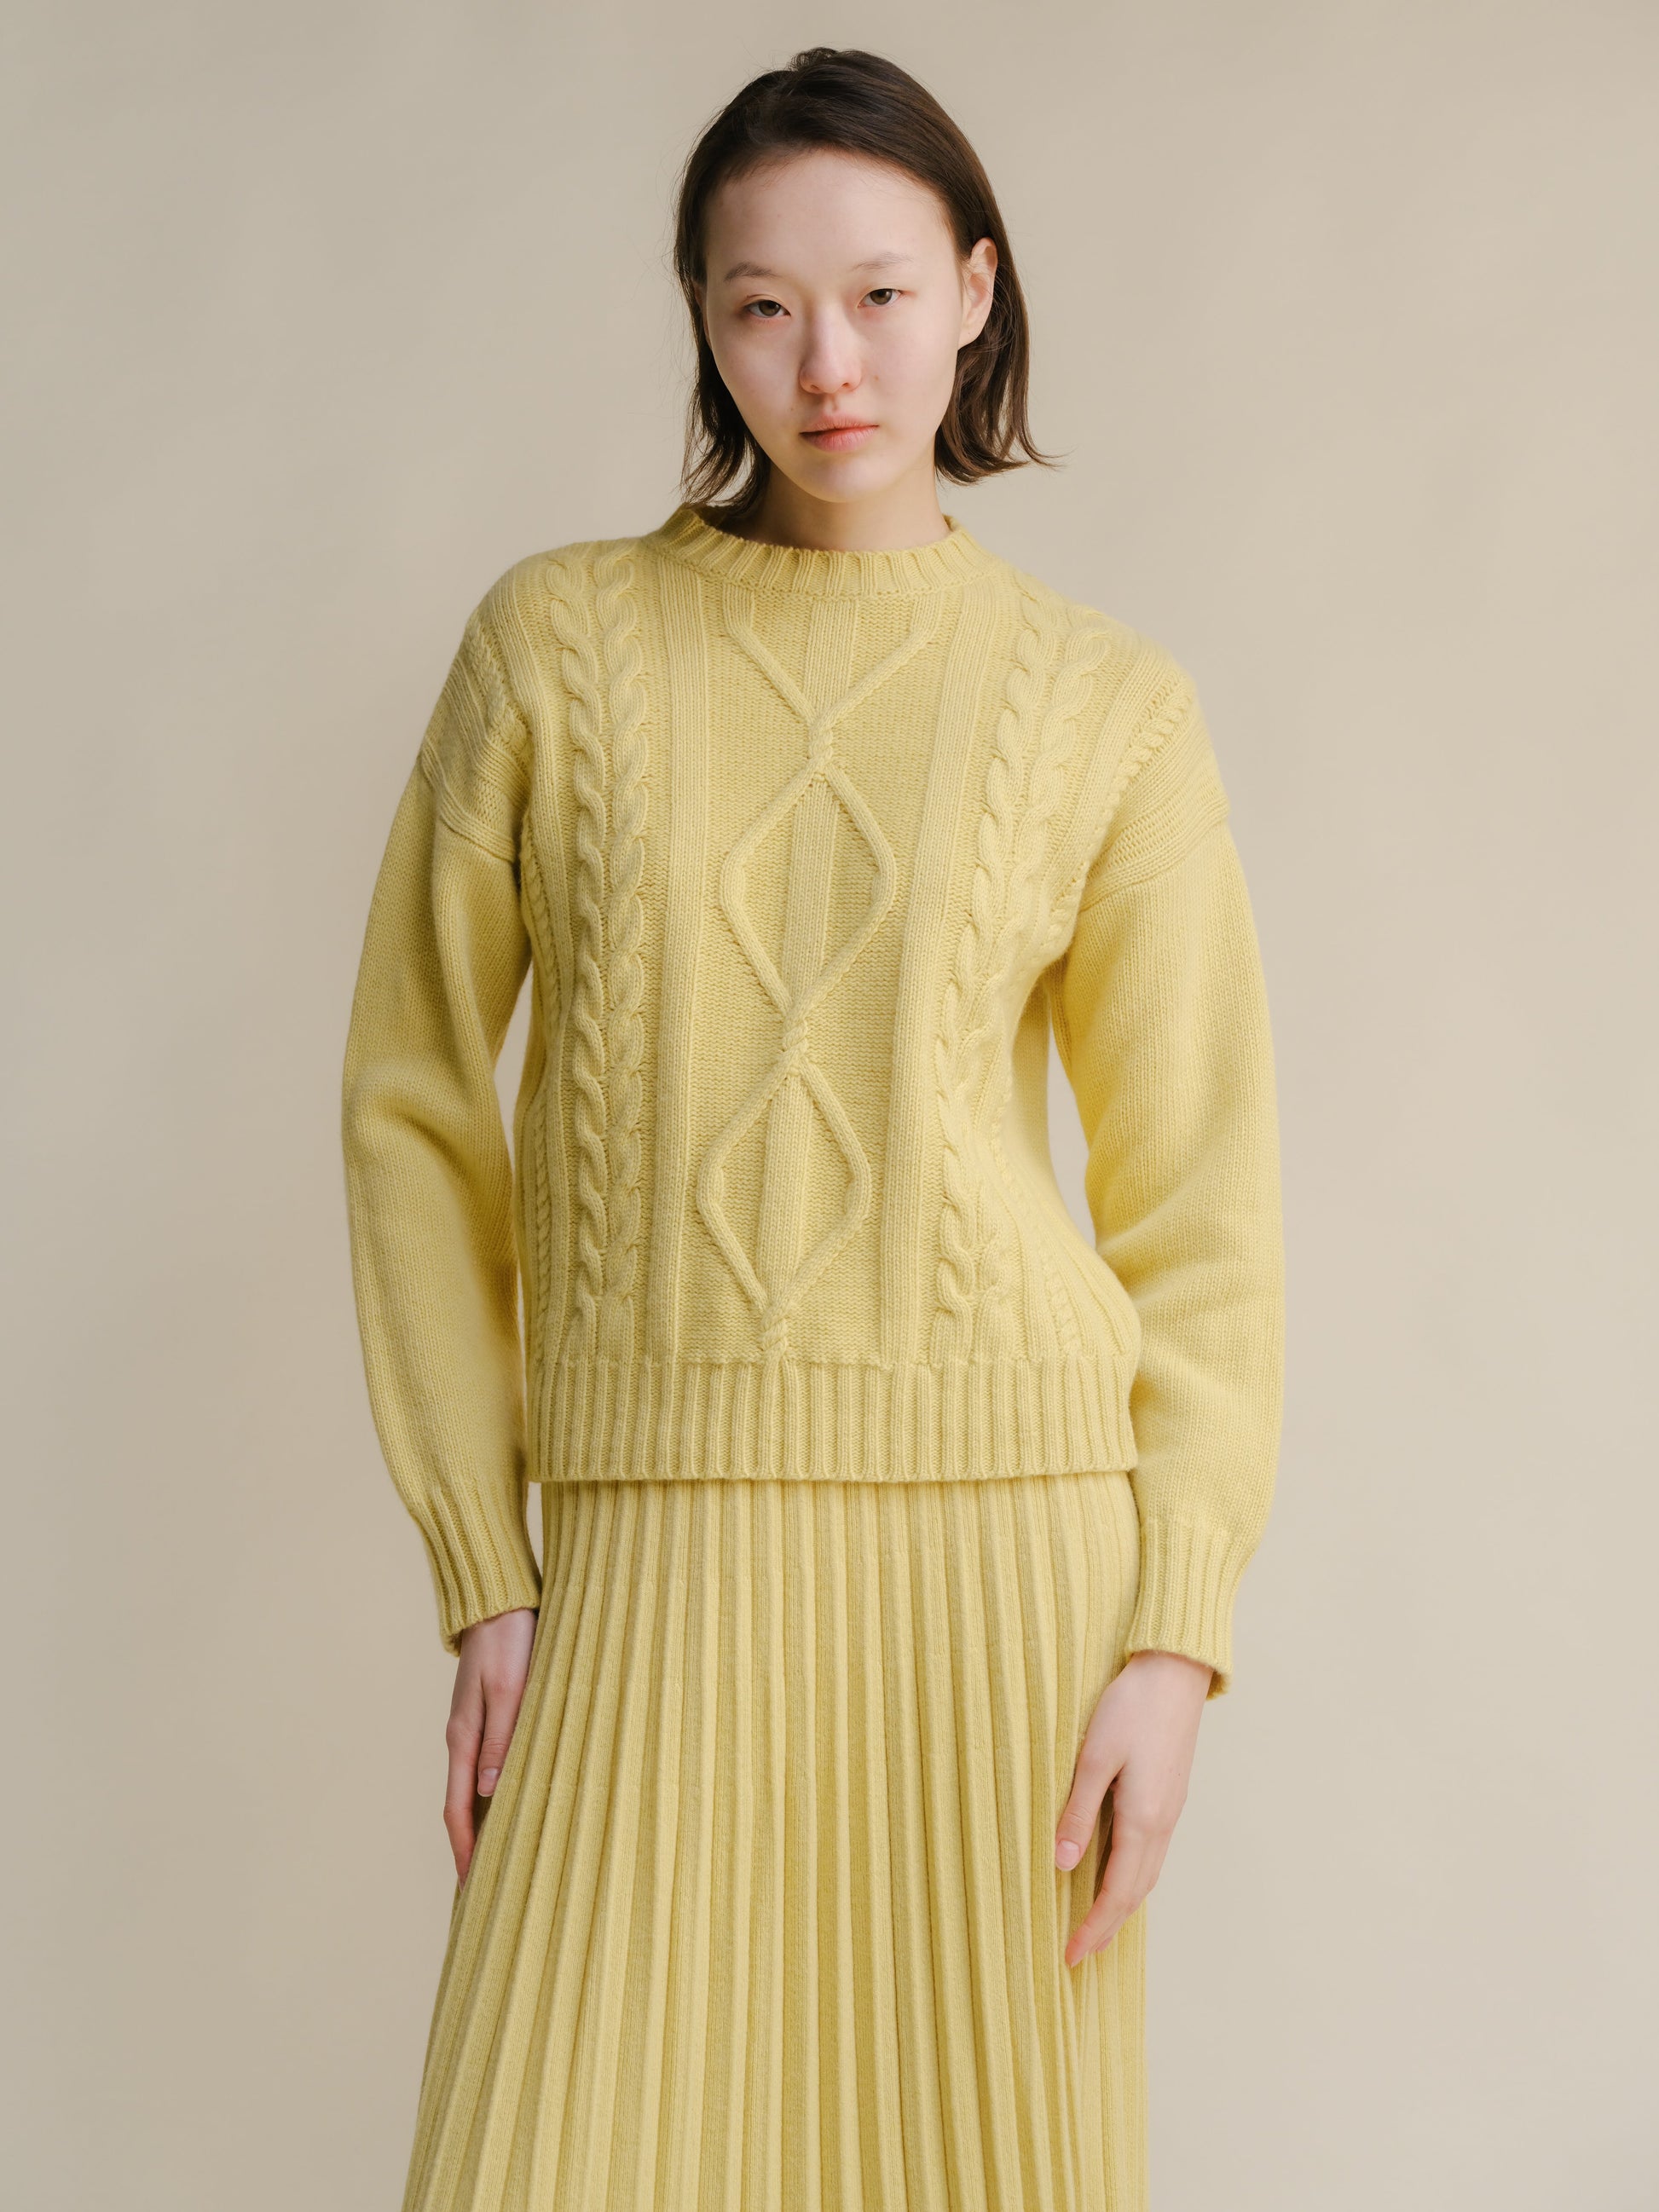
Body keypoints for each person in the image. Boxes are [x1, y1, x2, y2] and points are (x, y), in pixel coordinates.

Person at [340, 43, 1284, 2212]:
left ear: (975, 291)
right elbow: (410, 1105)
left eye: (876, 295)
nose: (825, 363)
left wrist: (1171, 1633)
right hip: (645, 1550)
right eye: (760, 305)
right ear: (701, 315)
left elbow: (1202, 1204)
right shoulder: (555, 647)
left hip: (1007, 1572)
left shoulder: (1105, 705)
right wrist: (486, 1572)